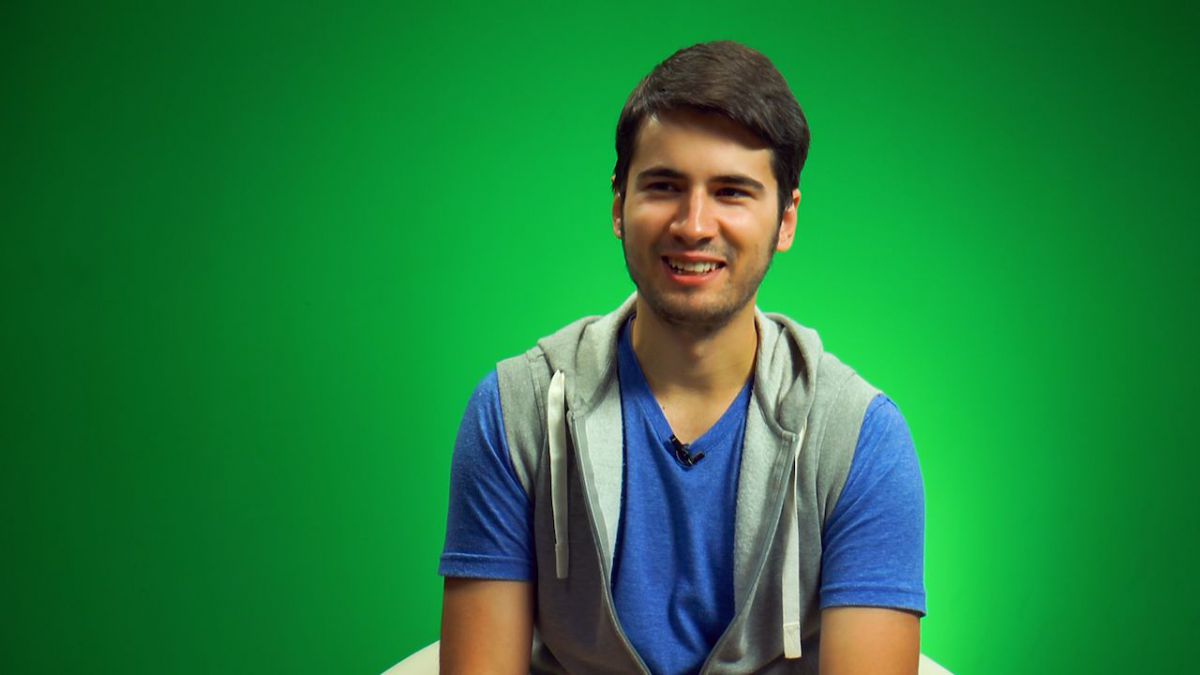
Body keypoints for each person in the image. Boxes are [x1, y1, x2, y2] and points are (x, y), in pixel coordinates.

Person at [438, 41, 925, 674]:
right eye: (664, 186)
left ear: (786, 220)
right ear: (619, 205)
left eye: (732, 192)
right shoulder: (517, 411)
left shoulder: (859, 438)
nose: (694, 225)